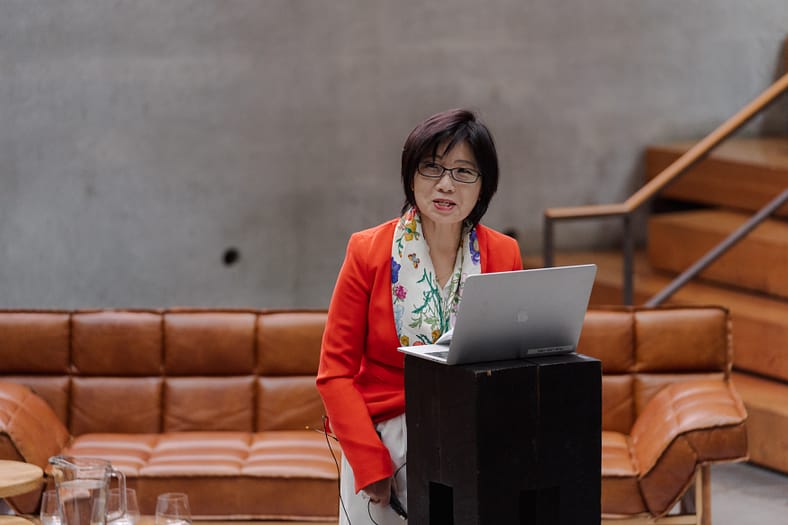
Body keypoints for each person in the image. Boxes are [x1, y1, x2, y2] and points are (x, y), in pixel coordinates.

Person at [316, 108, 522, 524]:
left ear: (483, 185)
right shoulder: (367, 251)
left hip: (474, 442)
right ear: (411, 176)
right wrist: (369, 462)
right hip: (386, 444)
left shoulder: (504, 253)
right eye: (432, 167)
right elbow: (334, 373)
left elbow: (512, 366)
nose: (446, 184)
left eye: (464, 171)